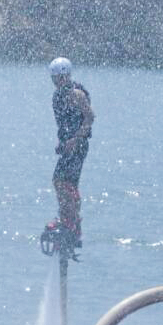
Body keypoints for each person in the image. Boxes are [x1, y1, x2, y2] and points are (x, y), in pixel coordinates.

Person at [46, 56, 94, 244]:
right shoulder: (58, 96)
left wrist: (75, 139)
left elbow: (90, 117)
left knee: (64, 182)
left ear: (66, 76)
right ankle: (67, 219)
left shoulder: (76, 94)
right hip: (68, 145)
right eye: (54, 79)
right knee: (61, 182)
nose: (57, 82)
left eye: (59, 78)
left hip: (79, 145)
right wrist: (62, 142)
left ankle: (71, 221)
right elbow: (65, 123)